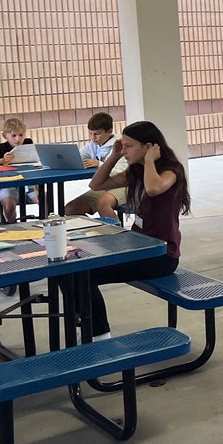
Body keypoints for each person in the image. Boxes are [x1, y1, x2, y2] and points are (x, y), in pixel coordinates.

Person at [72, 121, 190, 340]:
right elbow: (96, 185)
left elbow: (154, 189)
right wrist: (114, 156)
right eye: (122, 146)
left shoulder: (170, 171)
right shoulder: (135, 172)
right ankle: (87, 325)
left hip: (161, 256)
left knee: (83, 276)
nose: (124, 151)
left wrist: (148, 161)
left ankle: (98, 335)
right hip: (137, 246)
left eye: (128, 147)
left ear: (148, 147)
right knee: (71, 271)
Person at [64, 112, 128, 222]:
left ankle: (119, 237)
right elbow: (77, 156)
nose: (93, 138)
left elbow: (120, 172)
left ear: (109, 132)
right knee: (70, 209)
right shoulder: (94, 145)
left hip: (124, 184)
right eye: (90, 134)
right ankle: (97, 230)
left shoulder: (120, 144)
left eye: (97, 134)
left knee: (103, 205)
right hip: (103, 185)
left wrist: (99, 164)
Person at [0, 117, 38, 223]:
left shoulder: (28, 143)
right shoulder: (1, 148)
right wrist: (2, 160)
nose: (18, 139)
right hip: (7, 183)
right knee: (8, 205)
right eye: (13, 135)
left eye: (21, 135)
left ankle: (46, 224)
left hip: (29, 181)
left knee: (44, 198)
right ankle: (12, 226)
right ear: (5, 136)